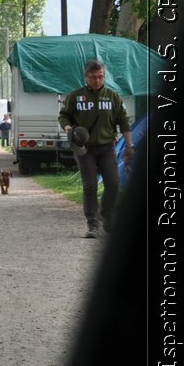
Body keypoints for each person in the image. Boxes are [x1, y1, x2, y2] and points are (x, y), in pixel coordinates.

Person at [58, 59, 129, 238]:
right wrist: (68, 128)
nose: (97, 81)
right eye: (93, 77)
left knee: (113, 183)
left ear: (104, 76)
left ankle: (107, 215)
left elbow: (124, 121)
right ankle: (92, 224)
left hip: (107, 147)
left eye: (100, 77)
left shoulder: (113, 96)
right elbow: (64, 116)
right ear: (86, 77)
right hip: (84, 149)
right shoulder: (76, 96)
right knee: (89, 185)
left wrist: (130, 145)